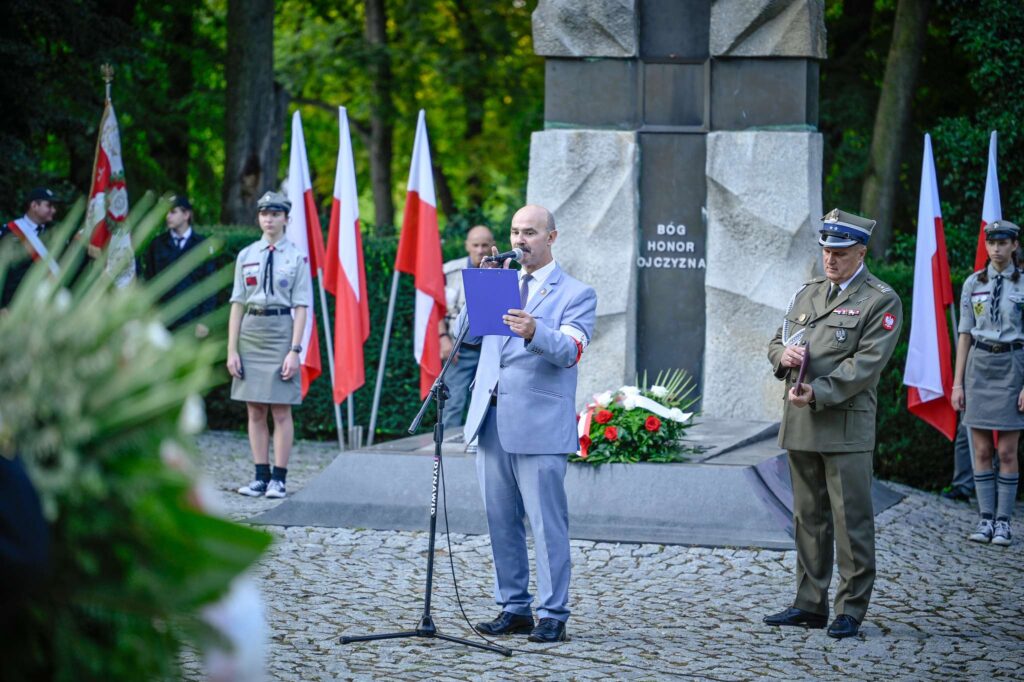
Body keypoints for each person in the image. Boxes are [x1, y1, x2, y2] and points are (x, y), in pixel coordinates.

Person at [457, 204, 596, 644]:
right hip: (492, 418)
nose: (520, 240)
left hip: (539, 421)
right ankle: (513, 607)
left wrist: (536, 331)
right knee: (500, 519)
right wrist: (482, 283)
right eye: (516, 231)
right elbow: (468, 335)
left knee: (545, 521)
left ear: (551, 238)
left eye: (530, 232)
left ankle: (553, 612)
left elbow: (572, 350)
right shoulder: (501, 282)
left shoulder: (575, 292)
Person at [765, 208, 902, 639]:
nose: (831, 259)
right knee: (808, 517)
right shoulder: (807, 293)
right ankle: (810, 603)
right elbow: (777, 341)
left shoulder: (880, 299)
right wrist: (780, 357)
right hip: (802, 420)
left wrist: (819, 391)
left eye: (840, 252)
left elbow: (866, 365)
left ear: (860, 252)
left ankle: (851, 607)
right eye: (826, 250)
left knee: (850, 519)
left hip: (844, 425)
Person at [226, 191, 312, 500]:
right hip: (251, 330)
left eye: (275, 214)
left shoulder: (296, 257)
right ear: (259, 217)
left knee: (281, 409)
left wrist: (295, 350)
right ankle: (260, 476)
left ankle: (280, 478)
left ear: (286, 219)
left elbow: (302, 306)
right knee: (255, 409)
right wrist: (231, 349)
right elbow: (237, 303)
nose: (269, 219)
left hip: (280, 330)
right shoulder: (247, 254)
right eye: (264, 214)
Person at [952, 219, 1022, 547]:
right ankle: (985, 519)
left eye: (1003, 242)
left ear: (1014, 246)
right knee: (980, 449)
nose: (996, 248)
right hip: (979, 366)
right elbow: (964, 334)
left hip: (1012, 365)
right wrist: (958, 384)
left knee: (1007, 451)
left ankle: (1004, 522)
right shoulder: (972, 283)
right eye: (992, 243)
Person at [439, 224, 495, 429]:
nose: (480, 250)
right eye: (476, 245)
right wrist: (442, 337)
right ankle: (448, 451)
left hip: (489, 347)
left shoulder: (502, 271)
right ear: (467, 246)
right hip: (458, 347)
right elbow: (436, 307)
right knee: (453, 401)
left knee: (487, 401)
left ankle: (481, 445)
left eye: (485, 245)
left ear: (493, 246)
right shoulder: (449, 271)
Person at [142, 195, 216, 336]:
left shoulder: (202, 245)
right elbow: (150, 283)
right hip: (162, 322)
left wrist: (205, 321)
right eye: (167, 212)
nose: (168, 216)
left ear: (186, 214)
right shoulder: (157, 244)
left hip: (192, 322)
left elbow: (210, 285)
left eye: (173, 212)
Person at [1, 187, 61, 308]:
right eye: (49, 205)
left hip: (46, 306)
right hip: (12, 305)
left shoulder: (58, 233)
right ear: (34, 206)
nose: (53, 210)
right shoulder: (9, 232)